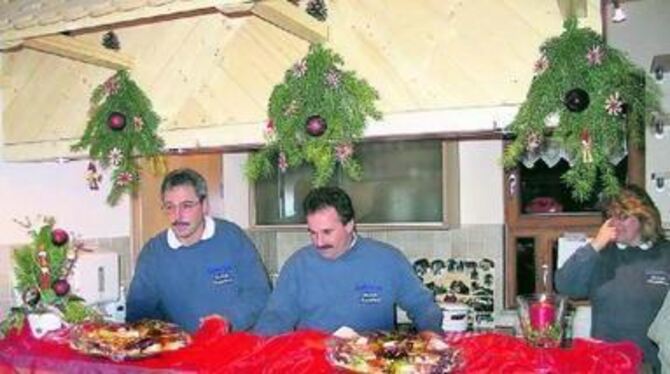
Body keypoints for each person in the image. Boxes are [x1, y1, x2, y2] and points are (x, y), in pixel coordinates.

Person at [253, 186, 443, 335]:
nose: (319, 242)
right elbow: (275, 318)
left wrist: (431, 333)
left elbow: (423, 306)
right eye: (312, 233)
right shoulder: (298, 265)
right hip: (314, 363)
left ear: (350, 225)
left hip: (370, 362)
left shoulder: (387, 260)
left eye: (327, 232)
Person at [126, 168, 271, 333]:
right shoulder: (153, 253)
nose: (177, 216)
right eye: (170, 207)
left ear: (204, 205)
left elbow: (260, 293)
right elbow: (137, 314)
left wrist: (228, 321)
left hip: (233, 347)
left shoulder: (232, 237)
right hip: (180, 352)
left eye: (186, 206)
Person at [555, 185, 670, 372]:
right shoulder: (600, 255)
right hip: (606, 364)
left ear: (644, 218)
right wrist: (595, 245)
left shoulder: (665, 255)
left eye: (623, 217)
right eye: (611, 217)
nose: (615, 224)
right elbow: (565, 286)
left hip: (653, 366)